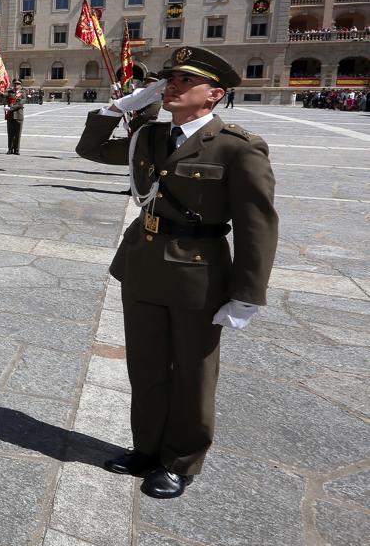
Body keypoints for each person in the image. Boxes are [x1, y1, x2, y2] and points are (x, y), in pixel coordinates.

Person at [75, 46, 277, 499]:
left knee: (193, 373)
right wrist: (115, 108)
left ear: (214, 95)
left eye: (185, 81)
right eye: (170, 79)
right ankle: (146, 447)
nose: (172, 86)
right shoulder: (149, 137)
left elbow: (257, 226)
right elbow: (90, 150)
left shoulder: (236, 148)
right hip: (143, 267)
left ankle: (181, 460)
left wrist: (247, 293)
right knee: (146, 367)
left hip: (197, 275)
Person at [4, 81, 25, 155]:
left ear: (20, 85)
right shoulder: (10, 92)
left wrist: (11, 108)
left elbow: (21, 104)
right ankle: (10, 148)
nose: (16, 85)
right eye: (15, 84)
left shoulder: (23, 93)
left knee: (18, 134)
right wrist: (6, 107)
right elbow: (6, 101)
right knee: (10, 133)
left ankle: (16, 149)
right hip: (10, 115)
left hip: (19, 115)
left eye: (18, 84)